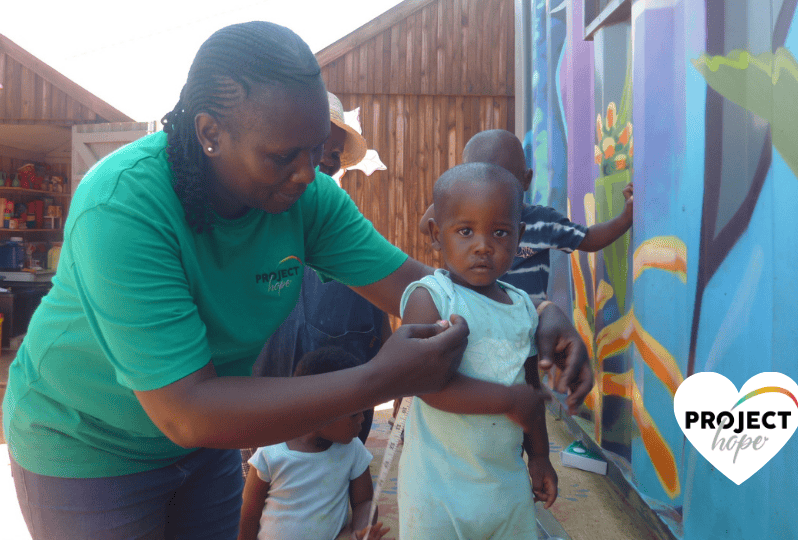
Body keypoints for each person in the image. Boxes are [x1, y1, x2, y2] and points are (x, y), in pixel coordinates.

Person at [1, 22, 588, 540]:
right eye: (283, 156)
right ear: (210, 133)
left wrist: (534, 312)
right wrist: (375, 380)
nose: (308, 175)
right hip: (87, 445)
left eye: (315, 152)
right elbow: (187, 408)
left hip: (208, 448)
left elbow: (427, 293)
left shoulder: (306, 200)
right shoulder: (124, 206)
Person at [399, 162, 558, 539]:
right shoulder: (432, 298)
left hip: (505, 487)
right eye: (465, 231)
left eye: (500, 232)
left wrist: (539, 456)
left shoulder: (522, 309)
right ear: (437, 234)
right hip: (435, 490)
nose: (483, 245)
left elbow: (531, 394)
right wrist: (506, 400)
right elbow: (425, 384)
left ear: (518, 237)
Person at [251, 92, 391, 447]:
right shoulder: (242, 231)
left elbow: (388, 323)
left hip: (338, 446)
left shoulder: (351, 242)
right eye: (295, 154)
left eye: (329, 158)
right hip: (261, 431)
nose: (314, 170)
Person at [420, 129, 634, 300]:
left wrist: (626, 217)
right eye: (478, 179)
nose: (489, 190)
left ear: (525, 180)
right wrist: (453, 195)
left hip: (529, 329)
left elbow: (588, 239)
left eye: (500, 180)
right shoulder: (459, 218)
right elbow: (425, 225)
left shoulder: (542, 223)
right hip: (473, 323)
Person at [239, 347, 391, 540]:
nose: (362, 419)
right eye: (354, 414)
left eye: (364, 411)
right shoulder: (271, 451)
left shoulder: (353, 450)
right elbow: (249, 516)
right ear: (320, 412)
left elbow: (364, 503)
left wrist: (360, 532)